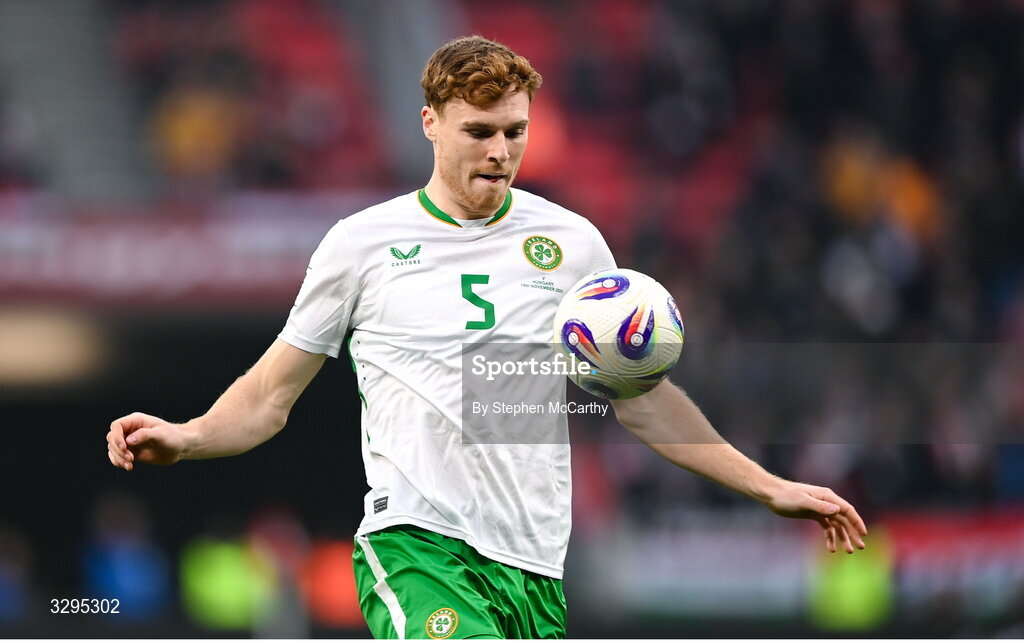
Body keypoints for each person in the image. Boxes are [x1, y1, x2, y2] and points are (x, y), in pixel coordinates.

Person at [106, 35, 867, 639]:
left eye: (515, 132)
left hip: (534, 568)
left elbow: (641, 402)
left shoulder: (572, 245)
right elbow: (271, 396)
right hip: (417, 547)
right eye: (479, 132)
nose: (500, 153)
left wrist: (772, 486)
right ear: (431, 122)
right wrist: (191, 434)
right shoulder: (361, 244)